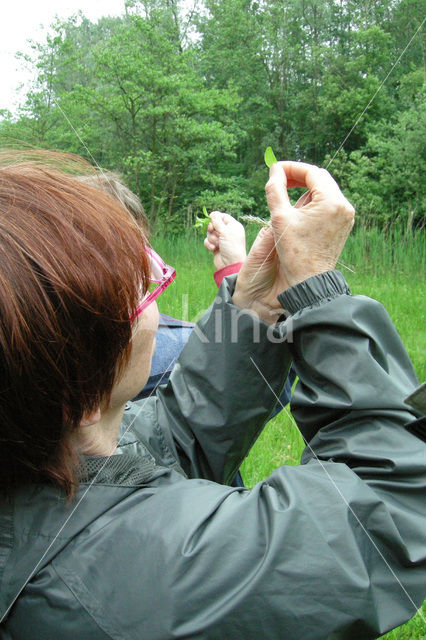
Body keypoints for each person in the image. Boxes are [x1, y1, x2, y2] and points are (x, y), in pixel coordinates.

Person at [0, 152, 424, 639]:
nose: (157, 292)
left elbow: (172, 437)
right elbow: (387, 509)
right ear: (80, 396)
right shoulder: (138, 572)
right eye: (140, 286)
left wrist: (255, 309)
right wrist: (320, 294)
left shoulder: (45, 466)